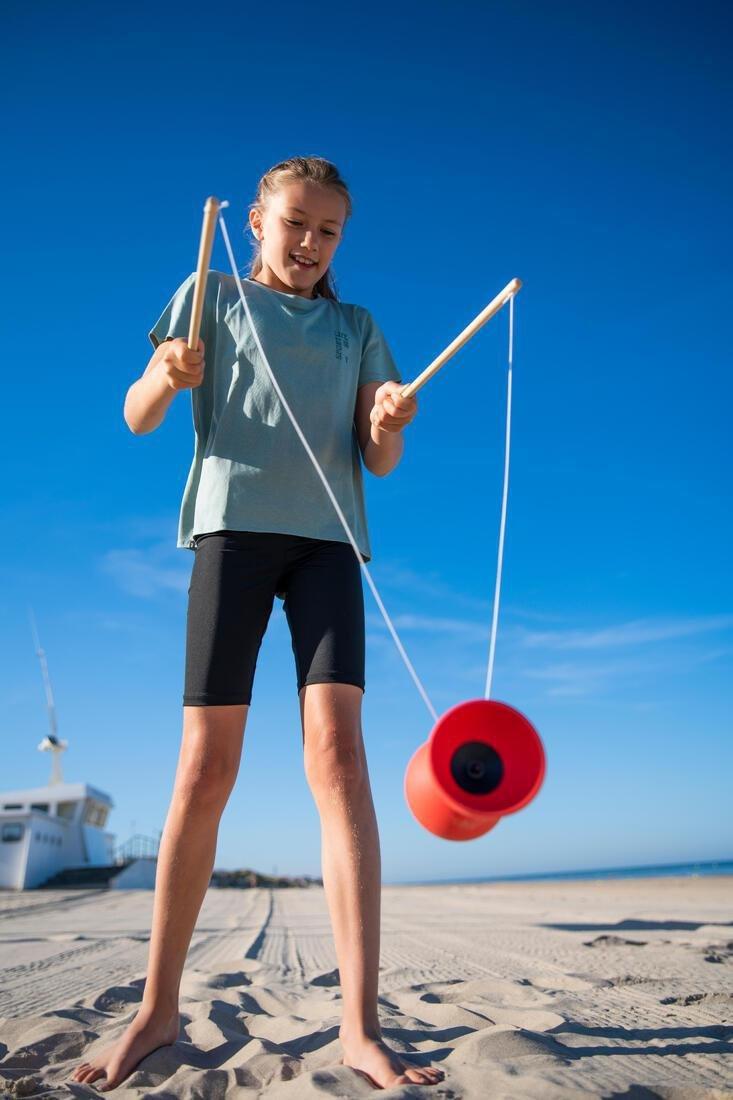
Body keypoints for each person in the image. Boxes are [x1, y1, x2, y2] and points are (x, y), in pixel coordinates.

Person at [71, 156, 444, 1091]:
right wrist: (166, 371)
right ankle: (156, 1011)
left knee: (340, 759)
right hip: (231, 537)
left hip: (326, 547)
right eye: (296, 224)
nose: (311, 244)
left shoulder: (357, 327)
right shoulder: (210, 293)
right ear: (255, 221)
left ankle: (359, 1027)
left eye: (329, 231)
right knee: (205, 766)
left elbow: (381, 460)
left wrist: (391, 416)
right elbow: (137, 417)